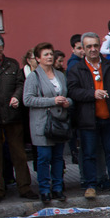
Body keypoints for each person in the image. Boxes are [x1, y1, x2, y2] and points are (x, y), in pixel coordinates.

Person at [67, 32, 110, 199]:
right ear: (83, 49)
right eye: (89, 46)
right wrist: (92, 94)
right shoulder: (76, 69)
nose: (93, 49)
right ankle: (90, 185)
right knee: (89, 154)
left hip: (109, 118)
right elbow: (73, 91)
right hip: (88, 119)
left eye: (95, 45)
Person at [0, 32, 38, 203]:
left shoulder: (12, 64)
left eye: (0, 51)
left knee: (19, 153)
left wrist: (17, 96)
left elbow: (20, 83)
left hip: (12, 115)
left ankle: (25, 186)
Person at [24, 42, 72, 203]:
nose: (49, 57)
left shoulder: (59, 75)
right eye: (45, 55)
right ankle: (44, 189)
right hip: (42, 124)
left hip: (59, 122)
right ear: (38, 58)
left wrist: (67, 102)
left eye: (51, 54)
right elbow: (28, 99)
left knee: (58, 157)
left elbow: (68, 95)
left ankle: (58, 187)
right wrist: (52, 100)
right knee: (44, 157)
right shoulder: (34, 76)